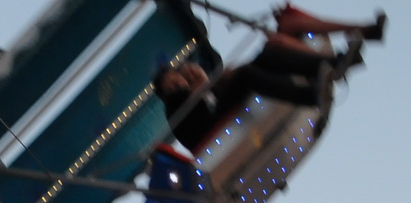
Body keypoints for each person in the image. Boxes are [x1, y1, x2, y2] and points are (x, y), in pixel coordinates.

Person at [155, 6, 385, 151]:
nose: (179, 81)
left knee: (268, 56)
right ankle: (311, 93)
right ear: (165, 90)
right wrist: (203, 82)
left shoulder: (193, 96)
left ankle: (333, 65)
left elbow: (213, 90)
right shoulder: (175, 103)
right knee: (247, 75)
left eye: (177, 78)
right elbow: (200, 98)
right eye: (173, 81)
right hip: (212, 137)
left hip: (217, 118)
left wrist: (206, 82)